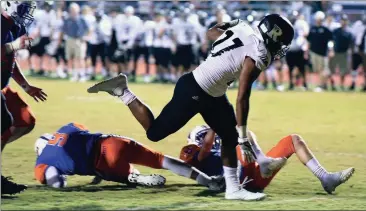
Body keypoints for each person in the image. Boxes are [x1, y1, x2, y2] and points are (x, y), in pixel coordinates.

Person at [88, 14, 294, 201]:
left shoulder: (243, 27)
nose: (281, 49)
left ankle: (234, 189)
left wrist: (230, 26)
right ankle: (122, 91)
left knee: (229, 137)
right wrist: (243, 135)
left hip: (211, 92)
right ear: (273, 36)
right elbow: (242, 97)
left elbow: (210, 33)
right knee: (155, 133)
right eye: (282, 43)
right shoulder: (260, 52)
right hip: (195, 91)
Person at [34, 123, 223, 190]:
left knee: (109, 172)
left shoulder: (43, 162)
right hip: (113, 141)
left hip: (103, 164)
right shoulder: (65, 129)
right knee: (161, 160)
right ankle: (208, 181)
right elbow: (82, 133)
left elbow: (55, 181)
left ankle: (133, 177)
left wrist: (63, 176)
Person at [180, 125, 355, 194]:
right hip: (234, 181)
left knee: (293, 140)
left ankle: (325, 178)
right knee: (240, 135)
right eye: (207, 135)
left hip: (252, 176)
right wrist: (217, 121)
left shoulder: (218, 145)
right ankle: (263, 162)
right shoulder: (197, 155)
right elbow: (202, 151)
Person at [1, 1, 48, 195]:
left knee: (24, 120)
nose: (27, 12)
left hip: (3, 86)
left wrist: (26, 86)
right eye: (24, 7)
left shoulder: (13, 24)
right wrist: (13, 45)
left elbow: (9, 58)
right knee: (5, 121)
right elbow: (7, 49)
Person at [59, 3, 90, 82]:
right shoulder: (67, 19)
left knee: (80, 58)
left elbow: (89, 29)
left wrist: (86, 37)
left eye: (74, 10)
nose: (73, 11)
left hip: (79, 40)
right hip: (70, 39)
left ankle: (82, 75)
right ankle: (75, 74)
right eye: (72, 10)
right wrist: (61, 40)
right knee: (71, 58)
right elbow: (63, 31)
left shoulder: (82, 19)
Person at [307, 11, 333, 92]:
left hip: (323, 53)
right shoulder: (312, 29)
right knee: (318, 70)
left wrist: (331, 50)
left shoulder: (326, 30)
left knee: (323, 70)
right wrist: (307, 51)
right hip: (313, 53)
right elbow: (309, 41)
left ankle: (322, 86)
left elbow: (330, 41)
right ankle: (323, 85)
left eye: (320, 19)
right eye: (318, 18)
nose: (319, 20)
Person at [329, 15, 354, 91]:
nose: (343, 22)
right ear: (340, 21)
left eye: (345, 20)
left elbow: (351, 45)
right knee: (331, 69)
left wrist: (350, 54)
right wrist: (331, 50)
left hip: (344, 53)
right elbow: (331, 41)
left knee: (343, 70)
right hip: (335, 52)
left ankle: (341, 85)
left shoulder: (349, 32)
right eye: (342, 20)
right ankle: (332, 84)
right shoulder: (335, 31)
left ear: (347, 21)